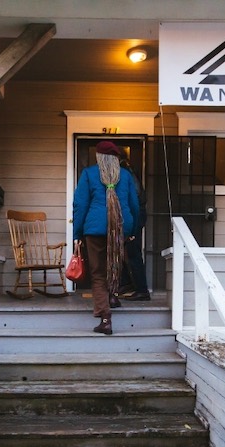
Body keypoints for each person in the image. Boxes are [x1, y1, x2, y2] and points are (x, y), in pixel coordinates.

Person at [72, 141, 140, 335]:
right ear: (116, 158)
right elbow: (134, 204)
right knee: (114, 265)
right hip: (120, 226)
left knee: (98, 273)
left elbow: (80, 205)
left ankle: (105, 318)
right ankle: (112, 296)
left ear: (99, 156)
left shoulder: (89, 174)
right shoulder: (125, 175)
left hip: (95, 228)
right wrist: (133, 229)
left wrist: (77, 232)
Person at [118, 156, 150, 301]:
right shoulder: (129, 172)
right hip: (133, 214)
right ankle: (126, 283)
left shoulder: (125, 174)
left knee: (132, 253)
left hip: (133, 215)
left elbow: (135, 199)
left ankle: (142, 290)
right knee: (124, 250)